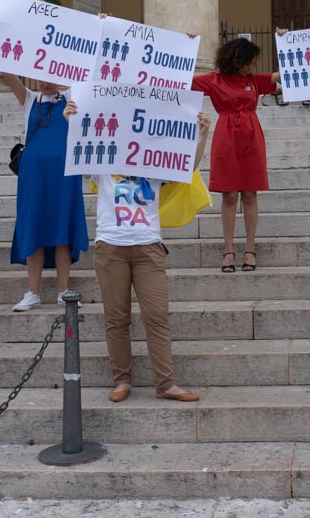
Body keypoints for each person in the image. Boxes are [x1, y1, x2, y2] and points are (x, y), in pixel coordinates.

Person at [64, 98, 210, 403]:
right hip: (111, 247)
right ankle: (122, 380)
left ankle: (166, 383)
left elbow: (186, 168)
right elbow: (82, 153)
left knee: (156, 316)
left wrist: (201, 135)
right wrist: (71, 123)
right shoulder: (103, 161)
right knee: (116, 318)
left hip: (148, 247)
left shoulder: (153, 162)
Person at [0, 18, 89, 311]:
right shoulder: (29, 99)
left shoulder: (73, 97)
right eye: (39, 74)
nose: (43, 79)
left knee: (63, 232)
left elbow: (93, 72)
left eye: (49, 74)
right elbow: (6, 72)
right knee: (34, 228)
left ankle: (64, 291)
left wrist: (100, 29)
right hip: (33, 177)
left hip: (65, 175)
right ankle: (33, 292)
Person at [192, 38, 282, 272]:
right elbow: (181, 83)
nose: (251, 67)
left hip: (252, 137)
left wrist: (284, 40)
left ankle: (250, 249)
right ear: (235, 60)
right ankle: (229, 249)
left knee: (250, 194)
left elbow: (282, 75)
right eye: (247, 63)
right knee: (229, 195)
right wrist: (187, 43)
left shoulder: (253, 81)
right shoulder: (214, 80)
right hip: (227, 136)